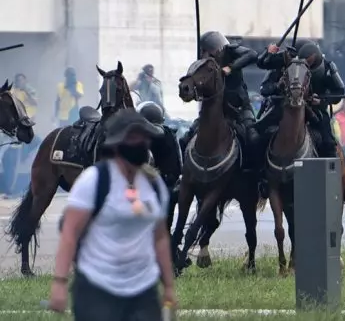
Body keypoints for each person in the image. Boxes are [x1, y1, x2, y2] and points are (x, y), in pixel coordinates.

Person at [48, 108, 176, 320]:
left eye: (143, 137)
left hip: (144, 290)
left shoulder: (154, 186)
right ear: (118, 144)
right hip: (97, 288)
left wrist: (169, 286)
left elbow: (160, 237)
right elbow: (70, 232)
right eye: (133, 137)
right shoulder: (94, 181)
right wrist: (60, 282)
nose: (140, 143)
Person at [180, 31, 259, 156]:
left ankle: (252, 173)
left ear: (213, 49)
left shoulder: (231, 51)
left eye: (204, 50)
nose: (201, 54)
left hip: (238, 106)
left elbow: (252, 54)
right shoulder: (204, 66)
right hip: (214, 108)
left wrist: (231, 67)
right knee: (185, 139)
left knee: (253, 138)